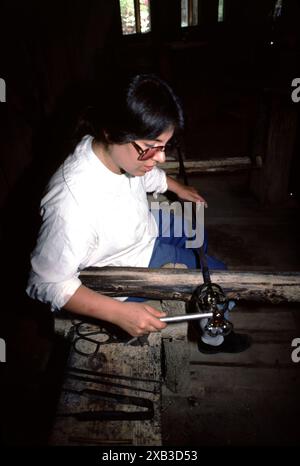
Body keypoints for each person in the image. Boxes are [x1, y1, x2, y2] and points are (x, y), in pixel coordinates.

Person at [26, 74, 251, 353]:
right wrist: (117, 314)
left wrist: (176, 187)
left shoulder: (110, 152)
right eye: (150, 147)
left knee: (198, 236)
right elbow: (45, 282)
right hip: (132, 259)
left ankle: (206, 311)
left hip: (142, 224)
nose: (160, 158)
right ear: (111, 132)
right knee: (220, 279)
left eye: (165, 146)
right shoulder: (70, 206)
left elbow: (146, 176)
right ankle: (214, 336)